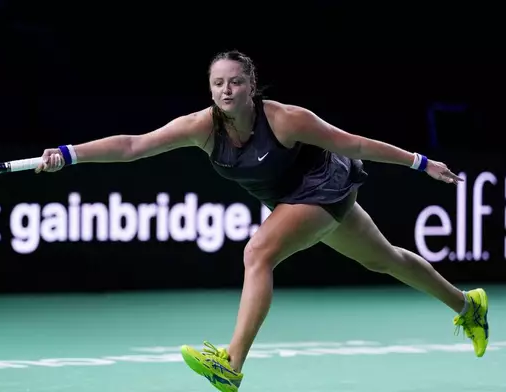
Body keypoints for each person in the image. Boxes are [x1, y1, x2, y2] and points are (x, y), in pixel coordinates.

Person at [35, 50, 489, 392]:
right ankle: (469, 306)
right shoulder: (201, 127)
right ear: (210, 90)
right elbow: (133, 145)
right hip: (291, 199)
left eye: (235, 82)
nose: (226, 90)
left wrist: (419, 161)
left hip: (324, 185)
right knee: (385, 260)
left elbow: (353, 143)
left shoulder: (287, 120)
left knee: (257, 252)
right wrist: (70, 155)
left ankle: (231, 365)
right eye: (218, 83)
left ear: (252, 86)